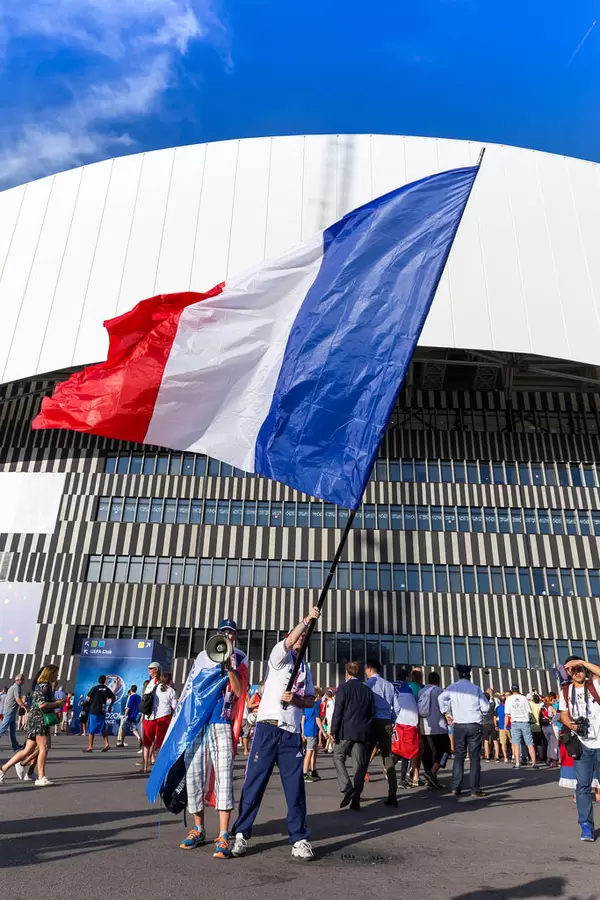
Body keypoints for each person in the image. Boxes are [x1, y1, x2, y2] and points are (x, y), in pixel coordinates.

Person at [230, 607, 319, 861]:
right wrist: (307, 620)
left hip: (291, 734)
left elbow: (311, 700)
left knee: (295, 788)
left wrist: (297, 698)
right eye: (297, 636)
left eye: (304, 638)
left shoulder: (305, 669)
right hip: (268, 728)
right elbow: (291, 639)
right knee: (254, 783)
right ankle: (241, 833)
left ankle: (299, 838)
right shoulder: (278, 658)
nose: (300, 640)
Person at [180, 620, 247, 858]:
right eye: (224, 633)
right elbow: (191, 691)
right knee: (194, 774)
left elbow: (239, 692)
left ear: (236, 638)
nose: (228, 636)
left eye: (232, 633)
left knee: (224, 776)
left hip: (222, 721)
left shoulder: (240, 659)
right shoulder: (202, 658)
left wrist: (229, 668)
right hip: (199, 722)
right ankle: (198, 829)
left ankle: (223, 834)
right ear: (217, 636)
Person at [558, 656, 600, 841]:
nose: (578, 672)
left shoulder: (595, 685)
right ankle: (586, 826)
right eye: (573, 670)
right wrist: (572, 725)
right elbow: (563, 714)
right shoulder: (566, 690)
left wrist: (581, 662)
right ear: (568, 672)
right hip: (582, 745)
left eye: (580, 669)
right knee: (583, 787)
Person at [0, 665, 63, 787]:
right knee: (43, 748)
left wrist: (54, 690)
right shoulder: (44, 686)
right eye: (56, 673)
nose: (58, 675)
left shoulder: (43, 685)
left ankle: (3, 769)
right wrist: (57, 704)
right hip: (40, 721)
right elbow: (42, 705)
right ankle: (40, 777)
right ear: (51, 673)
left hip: (35, 720)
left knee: (27, 750)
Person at [439, 664, 489, 798]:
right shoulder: (475, 688)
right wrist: (481, 714)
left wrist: (447, 712)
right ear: (469, 675)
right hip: (474, 723)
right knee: (474, 757)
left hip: (459, 724)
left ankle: (456, 787)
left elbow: (441, 698)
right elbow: (485, 706)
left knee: (459, 756)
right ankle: (475, 789)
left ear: (459, 674)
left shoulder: (453, 688)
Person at [331, 663, 374, 810]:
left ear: (347, 673)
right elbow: (372, 711)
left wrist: (334, 729)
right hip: (362, 731)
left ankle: (347, 787)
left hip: (346, 730)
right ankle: (356, 798)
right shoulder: (367, 690)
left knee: (338, 756)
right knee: (359, 764)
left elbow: (339, 710)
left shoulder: (343, 688)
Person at [364, 659, 400, 804]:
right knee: (387, 758)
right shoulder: (389, 685)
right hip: (386, 722)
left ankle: (357, 792)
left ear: (370, 669)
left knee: (365, 756)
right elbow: (397, 707)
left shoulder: (368, 685)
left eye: (366, 669)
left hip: (372, 722)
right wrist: (391, 720)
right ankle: (392, 794)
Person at [417, 671, 451, 789]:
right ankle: (432, 773)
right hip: (439, 727)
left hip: (424, 727)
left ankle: (431, 778)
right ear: (438, 681)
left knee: (428, 753)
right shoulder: (440, 691)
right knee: (445, 750)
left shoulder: (421, 691)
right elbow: (445, 709)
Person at [391, 668, 420, 790]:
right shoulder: (409, 688)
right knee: (407, 752)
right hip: (409, 721)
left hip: (397, 721)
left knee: (398, 749)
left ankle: (389, 766)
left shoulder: (391, 686)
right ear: (407, 677)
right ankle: (401, 779)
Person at [142, 673, 177, 772]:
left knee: (147, 742)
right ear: (169, 680)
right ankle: (158, 767)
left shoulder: (153, 687)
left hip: (150, 717)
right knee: (161, 742)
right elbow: (174, 706)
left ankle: (144, 766)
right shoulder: (171, 691)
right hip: (164, 717)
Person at [504, 683, 537, 770]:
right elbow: (529, 711)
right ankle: (534, 763)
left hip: (515, 722)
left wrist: (505, 726)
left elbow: (507, 714)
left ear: (512, 690)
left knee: (516, 744)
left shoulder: (509, 699)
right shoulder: (524, 698)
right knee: (529, 743)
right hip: (525, 722)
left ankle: (518, 763)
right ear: (518, 689)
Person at [83, 675, 115, 753]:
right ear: (105, 681)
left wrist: (88, 703)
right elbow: (113, 697)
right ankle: (106, 744)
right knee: (103, 727)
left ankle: (90, 747)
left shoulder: (95, 688)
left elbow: (88, 697)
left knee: (91, 729)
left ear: (98, 680)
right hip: (102, 710)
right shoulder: (106, 689)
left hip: (94, 710)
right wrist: (110, 706)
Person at [0, 674, 26, 751]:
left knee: (12, 730)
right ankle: (15, 746)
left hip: (11, 711)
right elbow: (17, 699)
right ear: (19, 680)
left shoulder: (15, 687)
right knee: (3, 728)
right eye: (23, 679)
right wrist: (24, 706)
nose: (24, 681)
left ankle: (15, 746)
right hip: (10, 711)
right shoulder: (16, 687)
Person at [303, 687, 324, 782]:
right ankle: (304, 773)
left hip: (308, 730)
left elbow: (303, 718)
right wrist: (323, 731)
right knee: (309, 752)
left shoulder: (306, 705)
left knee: (313, 752)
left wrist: (302, 732)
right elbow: (317, 719)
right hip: (312, 731)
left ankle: (313, 771)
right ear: (317, 696)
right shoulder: (315, 705)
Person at [542, 692, 559, 767]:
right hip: (551, 726)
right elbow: (556, 715)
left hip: (544, 727)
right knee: (554, 744)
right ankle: (554, 760)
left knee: (549, 743)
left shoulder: (542, 707)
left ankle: (549, 758)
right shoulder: (551, 707)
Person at [482, 690, 499, 762]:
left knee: (486, 740)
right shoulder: (492, 705)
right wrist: (491, 695)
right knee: (495, 740)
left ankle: (487, 756)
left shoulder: (482, 706)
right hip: (492, 723)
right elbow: (494, 702)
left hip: (485, 724)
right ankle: (497, 756)